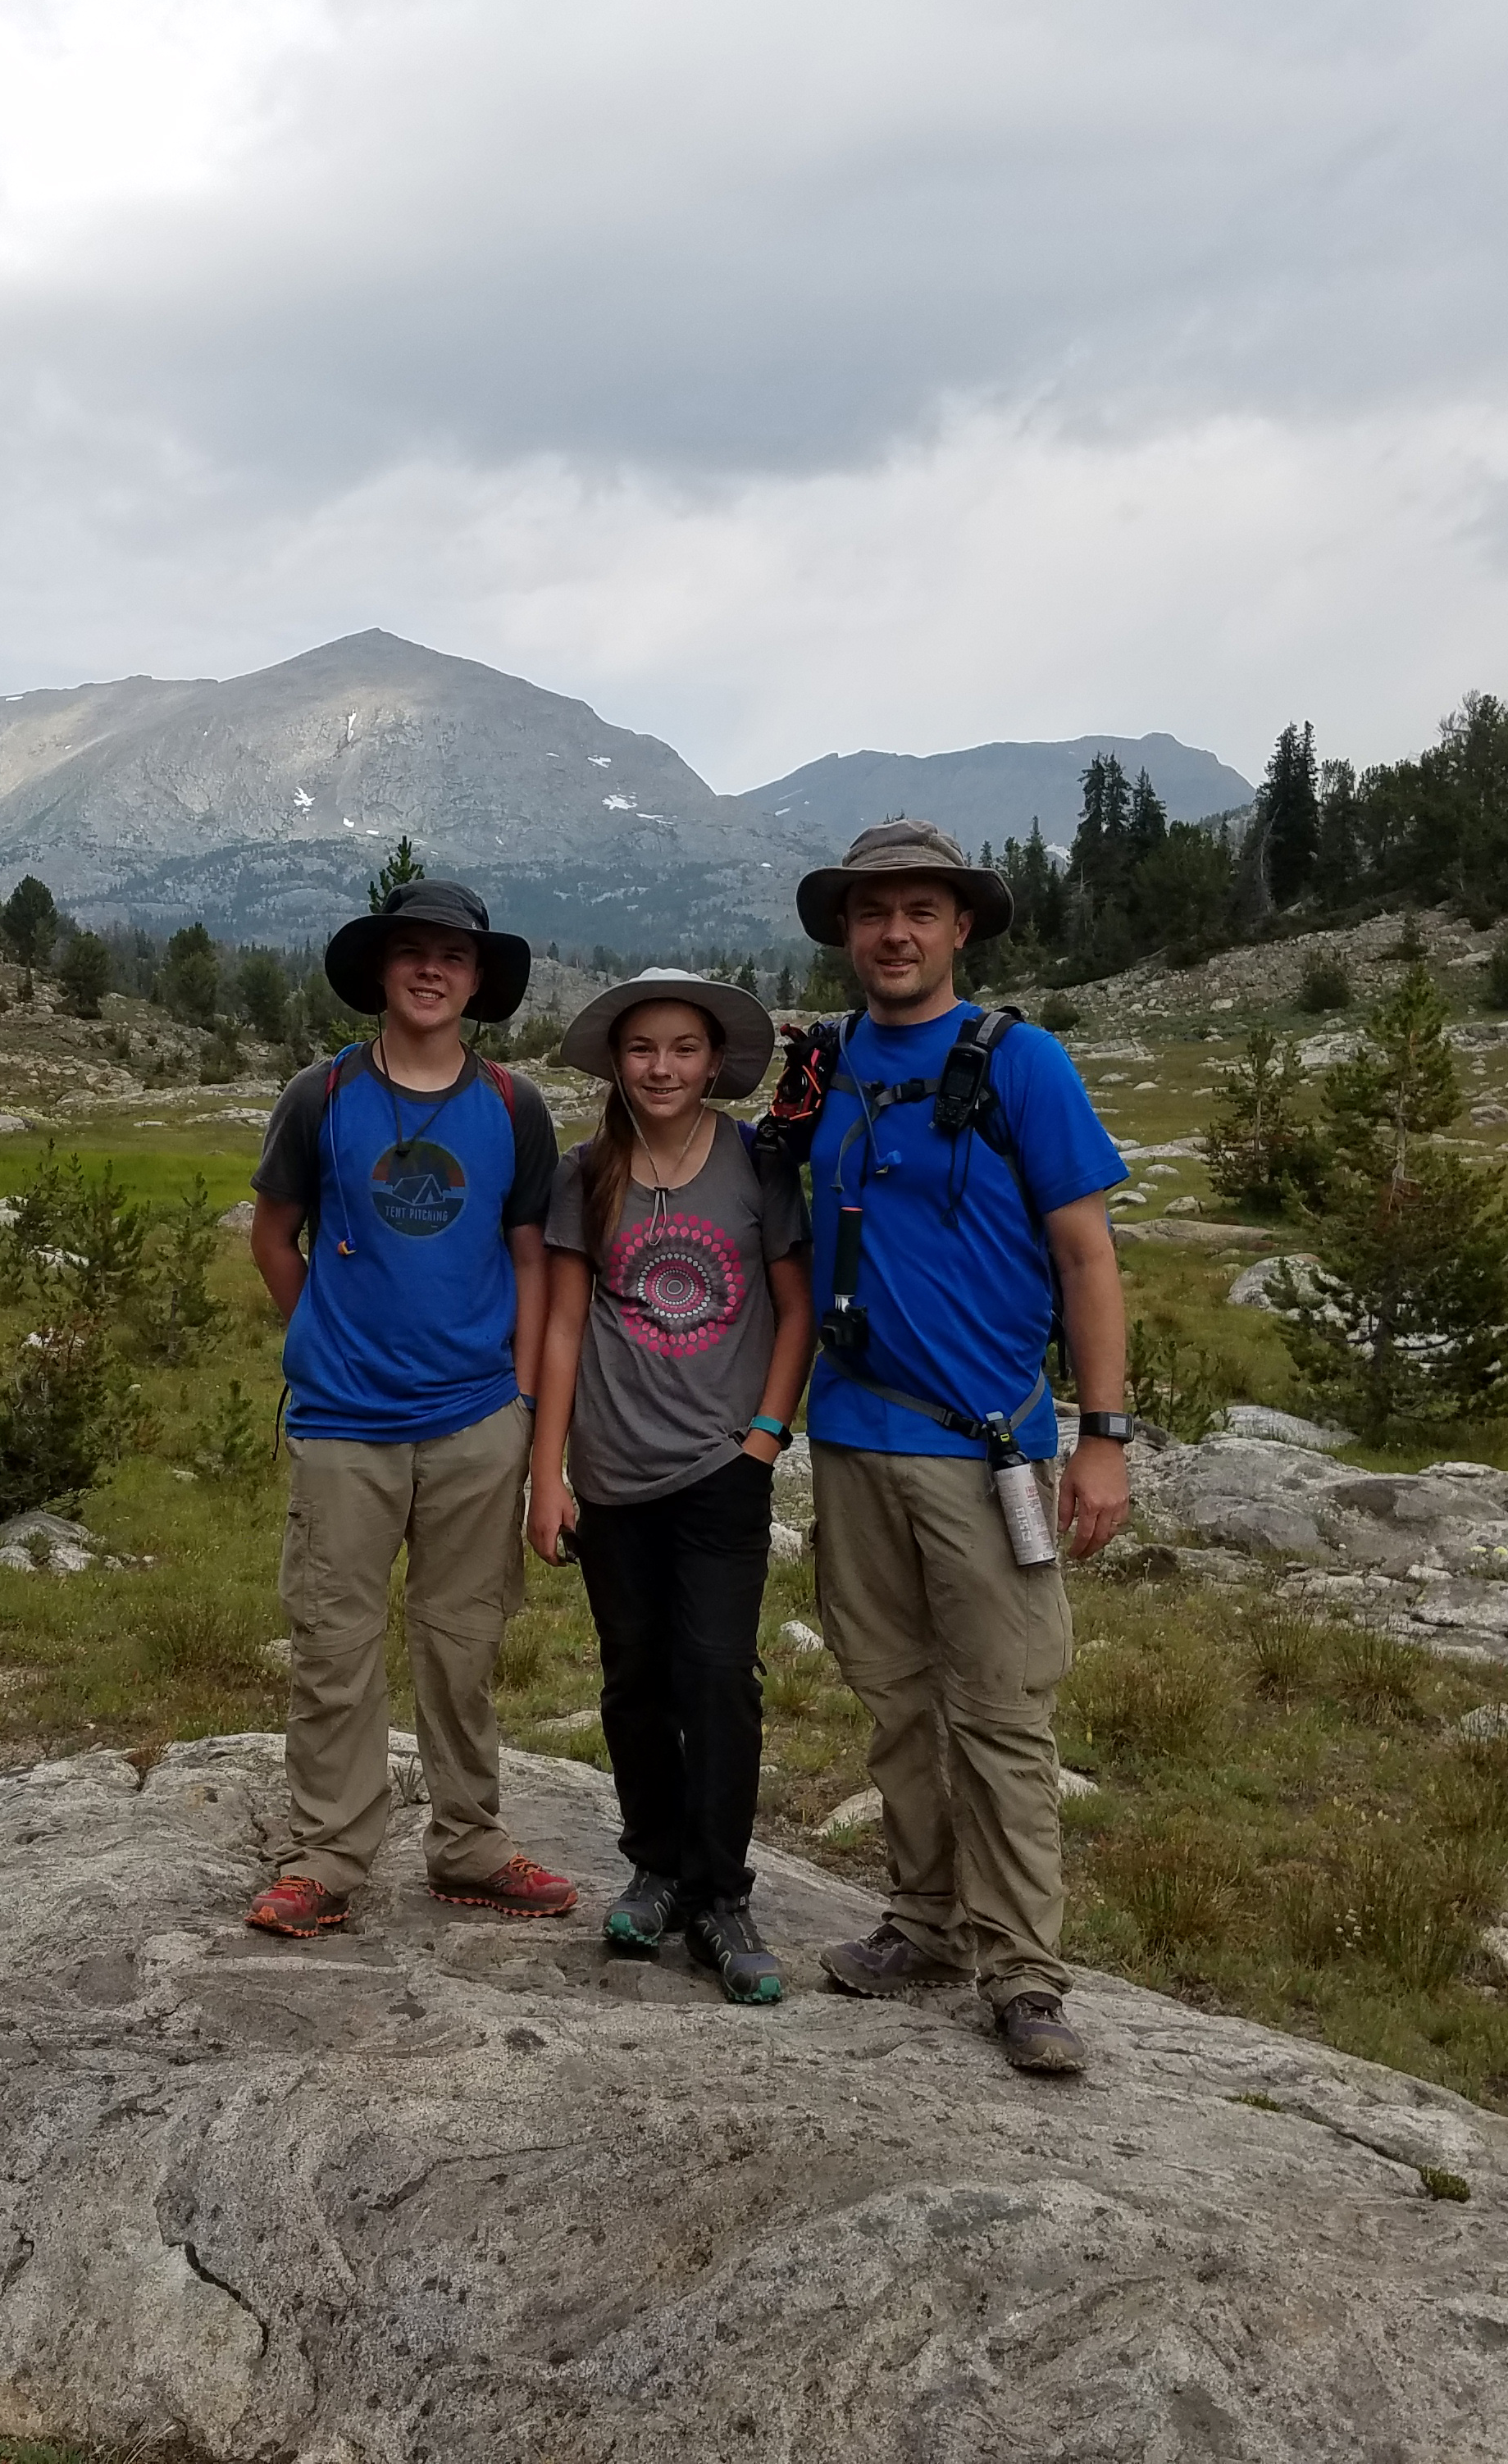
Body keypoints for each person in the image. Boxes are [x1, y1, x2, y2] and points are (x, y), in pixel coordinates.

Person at [781, 820, 1135, 2076]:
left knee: (1001, 1712)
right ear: (846, 930)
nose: (894, 934)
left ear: (959, 928)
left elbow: (1088, 1254)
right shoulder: (818, 1071)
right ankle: (924, 1922)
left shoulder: (1022, 1064)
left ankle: (1025, 1974)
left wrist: (1103, 1435)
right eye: (873, 913)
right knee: (892, 1702)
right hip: (852, 1437)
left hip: (985, 1449)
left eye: (919, 911)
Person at [241, 877, 576, 1938]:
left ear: (478, 981)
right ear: (382, 971)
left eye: (454, 955)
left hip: (477, 1421)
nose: (432, 970)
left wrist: (519, 1403)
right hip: (343, 1424)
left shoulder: (516, 1109)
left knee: (462, 1642)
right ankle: (328, 1860)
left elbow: (530, 1260)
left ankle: (469, 1844)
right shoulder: (321, 1096)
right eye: (411, 952)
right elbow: (272, 1235)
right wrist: (324, 1334)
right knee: (335, 1644)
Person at [526, 971, 810, 2005]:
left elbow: (794, 1307)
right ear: (616, 1060)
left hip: (721, 1471)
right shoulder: (585, 1172)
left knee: (718, 1678)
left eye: (683, 1049)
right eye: (643, 1049)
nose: (662, 1067)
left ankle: (722, 1894)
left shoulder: (753, 1162)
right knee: (633, 1676)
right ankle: (652, 1868)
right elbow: (561, 1326)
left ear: (714, 1060)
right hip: (611, 1473)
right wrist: (546, 1474)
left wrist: (766, 1439)